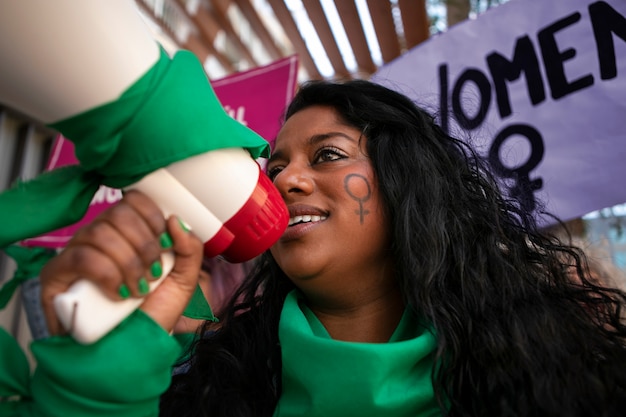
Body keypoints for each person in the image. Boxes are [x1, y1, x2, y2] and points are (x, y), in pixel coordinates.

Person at [3, 79, 626, 417]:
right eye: (274, 168)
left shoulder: (565, 366)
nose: (285, 180)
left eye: (327, 155)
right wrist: (96, 388)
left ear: (409, 184)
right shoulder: (197, 377)